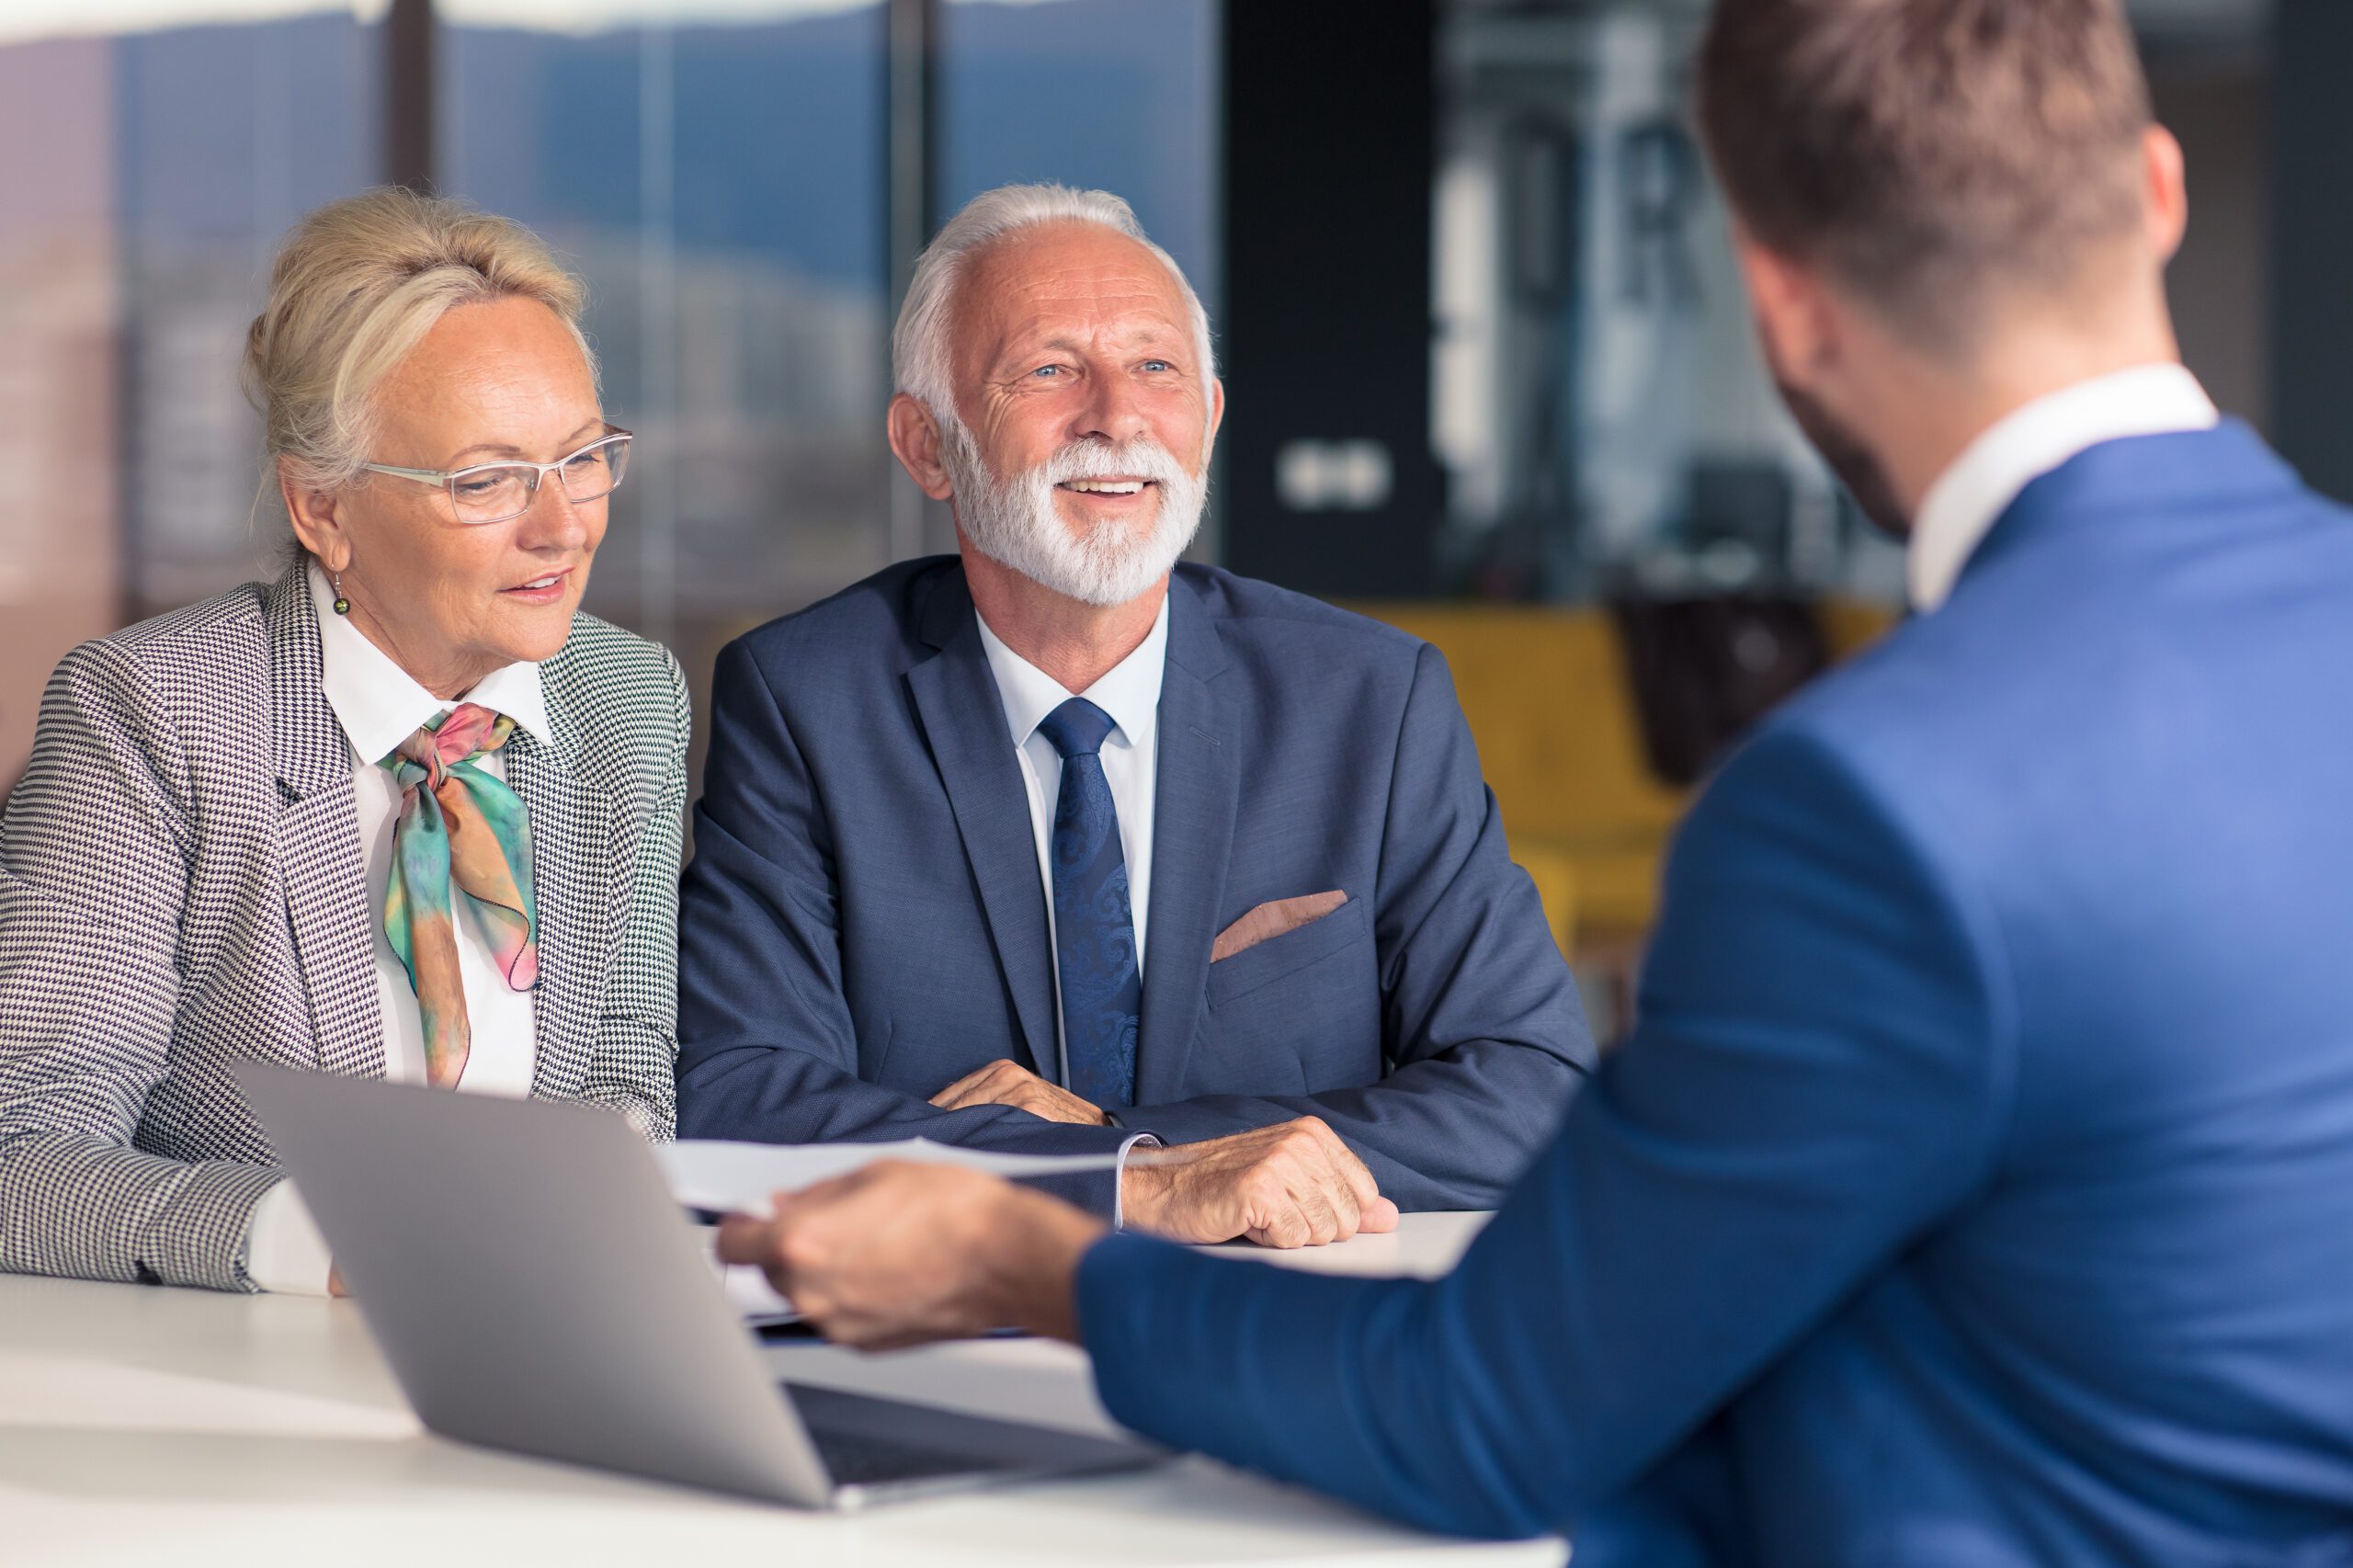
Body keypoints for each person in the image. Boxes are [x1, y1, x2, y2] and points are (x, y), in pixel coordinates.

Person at [716, 1, 2353, 1560]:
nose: (1113, 418)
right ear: (2160, 189)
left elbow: (1486, 1415)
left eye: (1151, 368)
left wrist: (1043, 1248)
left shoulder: (1861, 805)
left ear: (1777, 304)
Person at [676, 183, 1593, 1244]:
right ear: (928, 444)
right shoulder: (805, 699)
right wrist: (1135, 1178)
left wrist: (1131, 1153)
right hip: (945, 1338)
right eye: (1049, 369)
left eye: (1156, 367)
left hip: (1281, 1322)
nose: (1115, 413)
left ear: (1206, 418)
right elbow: (738, 1096)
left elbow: (1534, 1093)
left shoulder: (1368, 699)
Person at [0, 188, 688, 1295]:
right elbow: (22, 1148)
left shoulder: (627, 700)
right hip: (245, 1390)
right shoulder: (150, 712)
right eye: (485, 479)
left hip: (553, 1343)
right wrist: (326, 1246)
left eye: (581, 456)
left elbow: (623, 1064)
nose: (562, 524)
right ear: (323, 508)